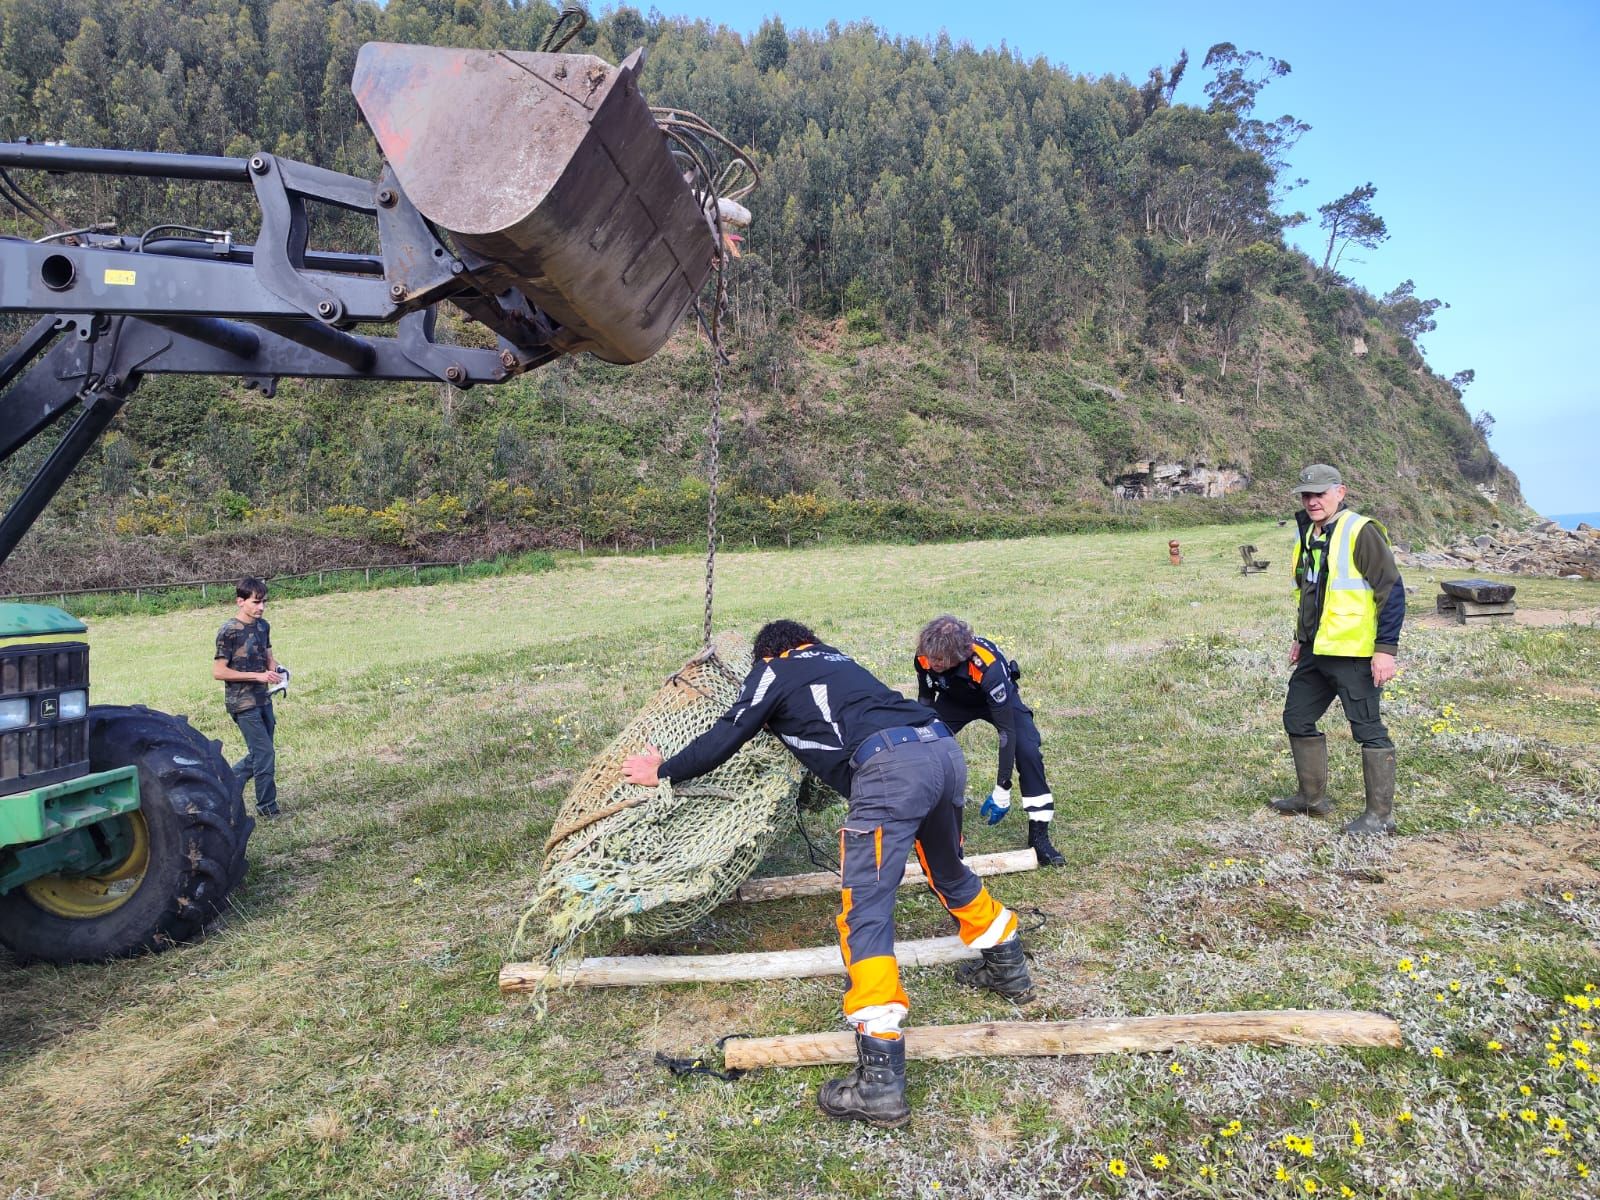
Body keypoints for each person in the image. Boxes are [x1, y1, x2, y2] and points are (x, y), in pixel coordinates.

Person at [622, 620, 1034, 1129]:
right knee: (947, 870)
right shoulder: (837, 659)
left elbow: (730, 731)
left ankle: (880, 1081)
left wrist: (661, 771)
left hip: (888, 770)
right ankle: (1008, 964)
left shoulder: (774, 669)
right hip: (942, 751)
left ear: (767, 653)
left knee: (865, 910)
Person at [1271, 464, 1404, 835]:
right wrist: (1301, 637)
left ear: (1340, 492)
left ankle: (1380, 816)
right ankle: (1310, 800)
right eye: (1306, 495)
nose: (1312, 501)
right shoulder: (1307, 534)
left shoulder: (1360, 531)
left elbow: (1391, 590)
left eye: (1320, 494)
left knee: (1368, 731)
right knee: (1296, 718)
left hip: (1354, 654)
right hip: (1316, 651)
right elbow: (1309, 592)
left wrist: (1385, 650)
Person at [914, 616, 1066, 867]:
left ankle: (1040, 838)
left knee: (1028, 751)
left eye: (940, 660)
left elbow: (1007, 731)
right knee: (924, 747)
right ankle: (928, 826)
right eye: (930, 657)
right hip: (954, 701)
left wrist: (1002, 787)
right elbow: (926, 700)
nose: (932, 663)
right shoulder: (925, 655)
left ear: (959, 655)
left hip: (998, 703)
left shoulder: (988, 666)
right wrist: (924, 733)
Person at [213, 577, 283, 818]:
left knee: (260, 754)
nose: (261, 607)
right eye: (256, 602)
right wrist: (258, 676)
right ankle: (267, 808)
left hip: (263, 698)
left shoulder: (263, 626)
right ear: (240, 602)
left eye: (264, 602)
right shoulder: (228, 631)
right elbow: (219, 672)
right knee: (264, 754)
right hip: (242, 702)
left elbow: (268, 657)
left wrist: (276, 670)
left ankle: (227, 785)